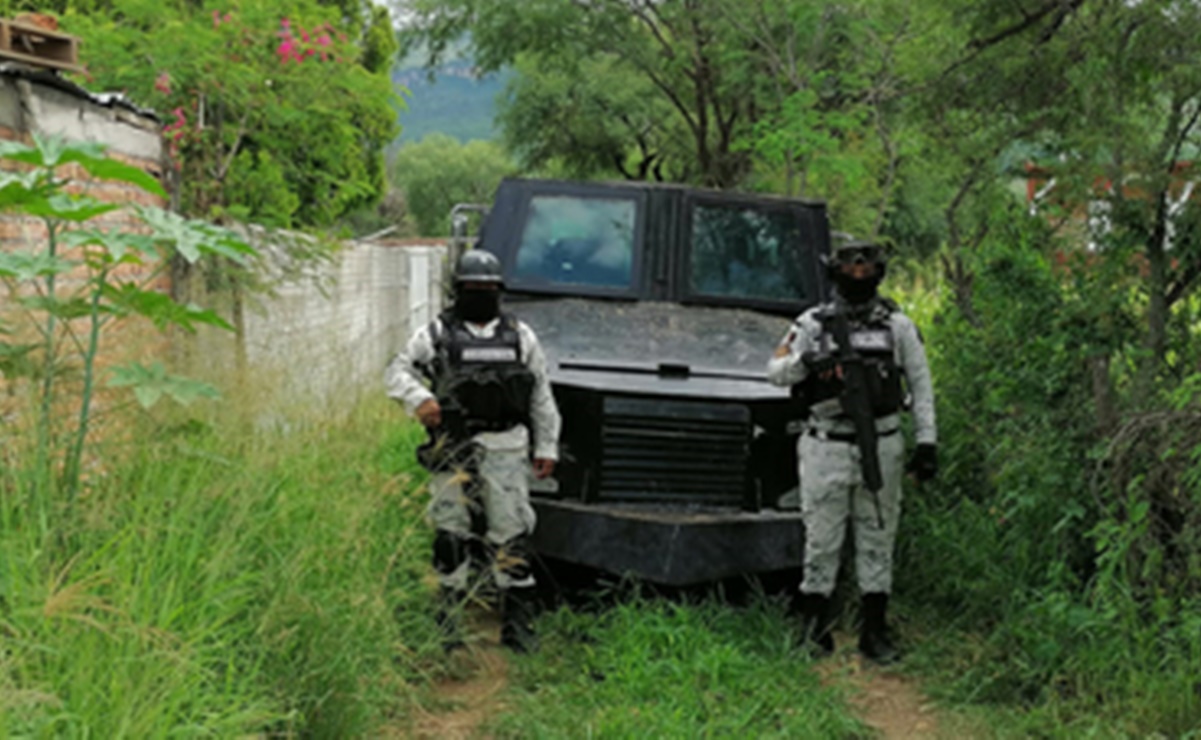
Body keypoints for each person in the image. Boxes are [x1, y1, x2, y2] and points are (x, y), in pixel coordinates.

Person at [767, 239, 937, 664]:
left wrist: (928, 442)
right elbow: (775, 372)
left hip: (882, 443)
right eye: (850, 268)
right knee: (821, 539)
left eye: (867, 268)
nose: (858, 275)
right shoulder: (811, 323)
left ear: (878, 273)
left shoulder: (897, 326)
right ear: (835, 272)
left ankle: (874, 632)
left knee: (878, 536)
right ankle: (813, 629)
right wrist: (809, 361)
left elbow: (920, 386)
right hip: (826, 444)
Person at [385, 250, 561, 653]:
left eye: (487, 289)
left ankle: (517, 628)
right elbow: (396, 371)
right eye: (471, 289)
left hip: (507, 447)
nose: (480, 295)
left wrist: (546, 444)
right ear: (457, 290)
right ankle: (448, 626)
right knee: (450, 534)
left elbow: (541, 395)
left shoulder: (520, 335)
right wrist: (419, 399)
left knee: (511, 535)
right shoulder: (436, 334)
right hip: (452, 446)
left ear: (499, 291)